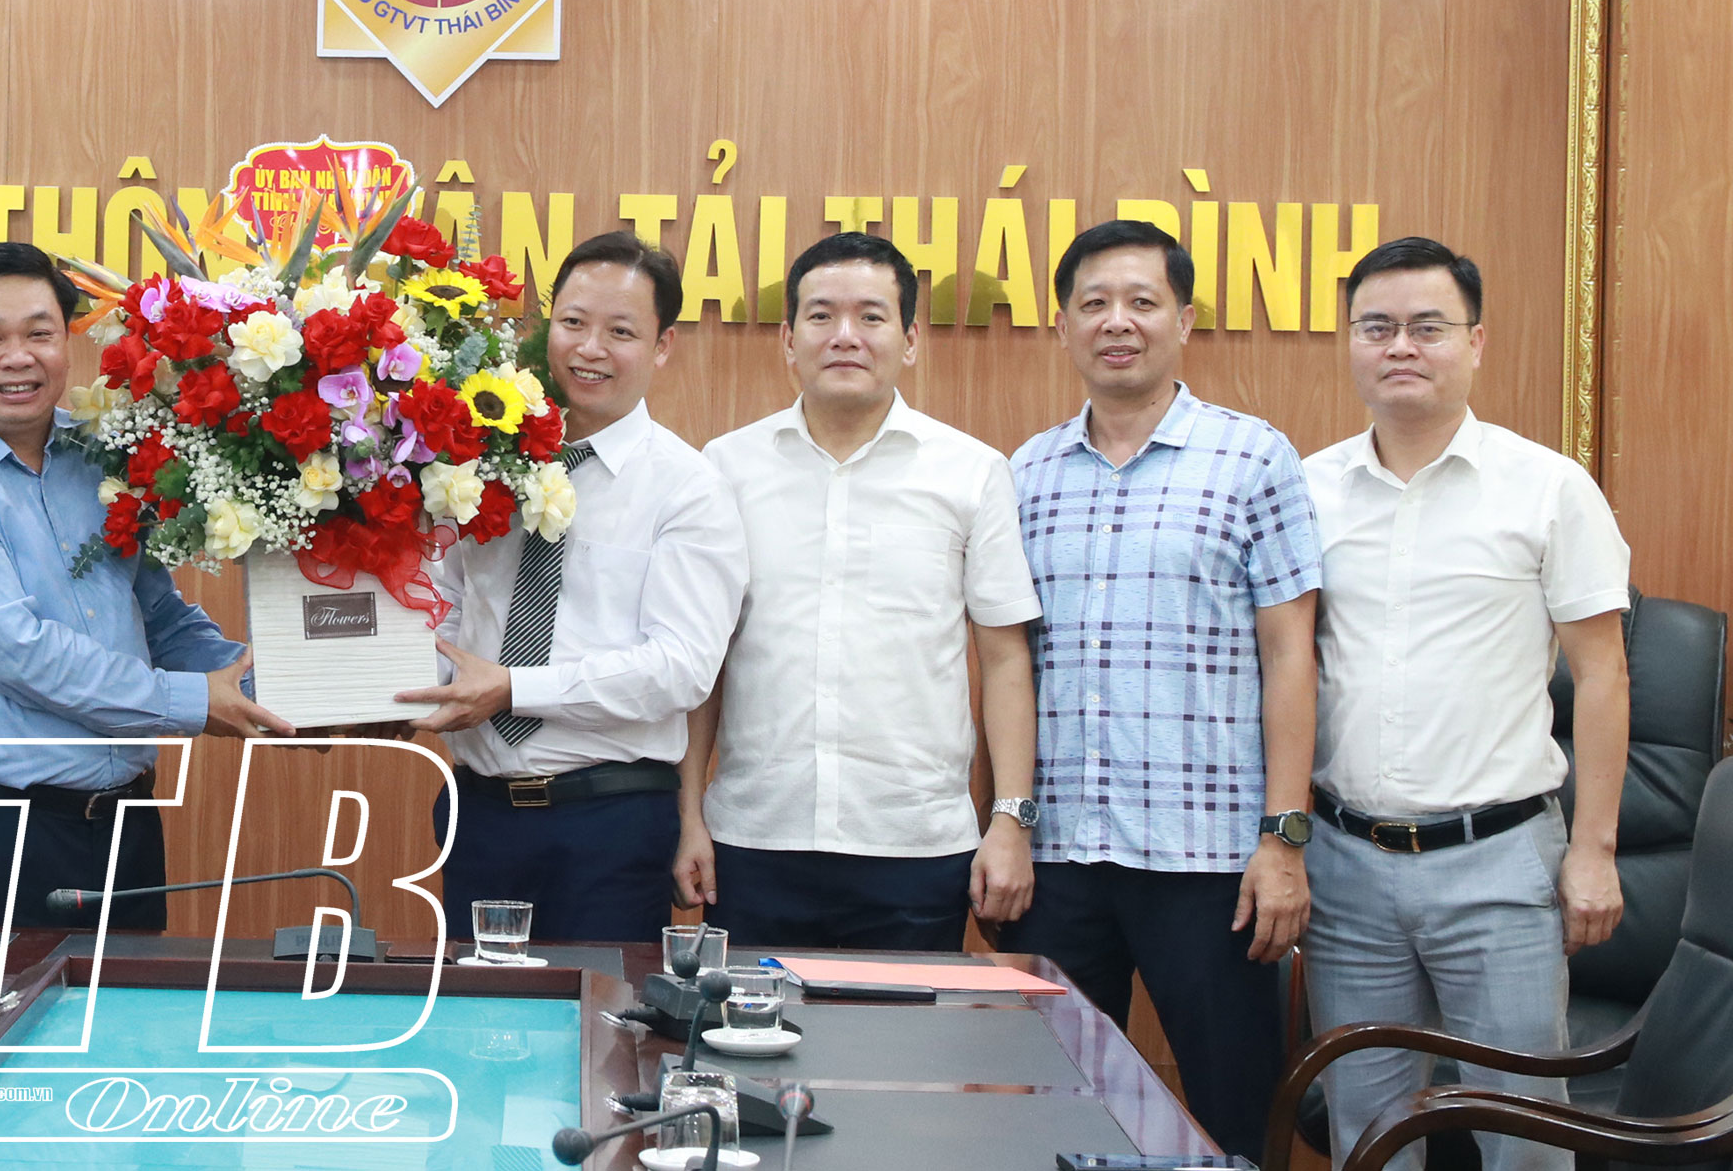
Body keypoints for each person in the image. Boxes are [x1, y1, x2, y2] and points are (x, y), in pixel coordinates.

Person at [1299, 237, 1630, 1171]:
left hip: (1499, 865)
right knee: (1368, 1135)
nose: (1401, 346)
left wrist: (1595, 851)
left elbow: (1603, 675)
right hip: (1345, 866)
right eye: (1377, 327)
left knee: (1523, 1137)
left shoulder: (1549, 488)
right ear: (1351, 342)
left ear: (1476, 342)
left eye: (1428, 327)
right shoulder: (1307, 490)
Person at [1000, 218, 1321, 1164]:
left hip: (1211, 863)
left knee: (1232, 1116)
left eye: (1142, 302)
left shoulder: (1253, 458)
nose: (1118, 322)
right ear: (1062, 325)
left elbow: (1291, 656)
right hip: (1062, 856)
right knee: (1054, 1113)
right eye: (1094, 303)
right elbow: (1005, 664)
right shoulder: (1025, 472)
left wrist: (1284, 840)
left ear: (1183, 320)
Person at [0, 242, 286, 932]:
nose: (18, 357)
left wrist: (273, 692)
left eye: (39, 333)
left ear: (66, 343)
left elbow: (157, 614)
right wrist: (199, 703)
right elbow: (24, 656)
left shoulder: (99, 454)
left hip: (124, 827)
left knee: (127, 1004)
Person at [676, 231, 1042, 950]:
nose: (845, 335)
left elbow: (1004, 659)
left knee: (905, 1028)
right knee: (749, 1026)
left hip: (916, 845)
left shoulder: (971, 471)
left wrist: (1009, 819)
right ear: (788, 339)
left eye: (871, 316)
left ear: (910, 340)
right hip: (753, 840)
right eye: (821, 315)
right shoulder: (725, 467)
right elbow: (703, 662)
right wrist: (687, 814)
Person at [398, 230, 747, 947]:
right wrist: (391, 690)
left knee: (600, 1014)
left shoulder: (688, 488)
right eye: (573, 322)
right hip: (477, 815)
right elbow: (450, 603)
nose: (590, 349)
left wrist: (513, 689)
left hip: (609, 824)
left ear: (662, 346)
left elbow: (681, 667)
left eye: (621, 332)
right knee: (472, 1008)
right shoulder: (482, 457)